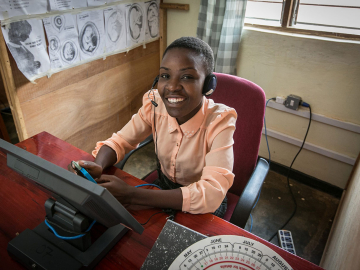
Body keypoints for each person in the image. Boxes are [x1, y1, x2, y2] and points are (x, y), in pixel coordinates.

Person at [70, 37, 237, 218]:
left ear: (207, 85)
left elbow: (211, 193)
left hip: (203, 205)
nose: (172, 86)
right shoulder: (155, 104)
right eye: (165, 76)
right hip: (162, 188)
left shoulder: (220, 120)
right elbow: (121, 140)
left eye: (187, 77)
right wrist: (97, 165)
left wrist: (133, 195)